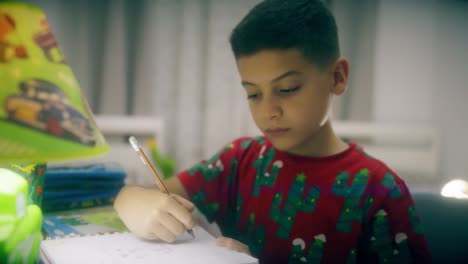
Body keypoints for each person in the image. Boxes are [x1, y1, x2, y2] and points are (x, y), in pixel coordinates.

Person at [114, 0, 432, 263]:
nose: (267, 111)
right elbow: (143, 194)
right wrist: (133, 201)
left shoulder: (378, 191)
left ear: (337, 77)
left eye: (288, 88)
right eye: (253, 94)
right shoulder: (239, 161)